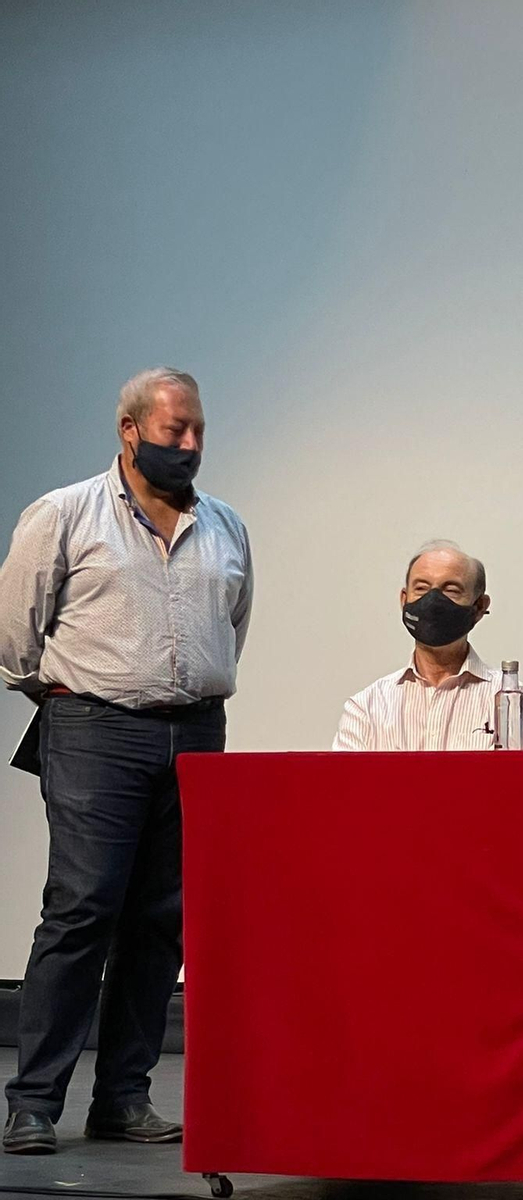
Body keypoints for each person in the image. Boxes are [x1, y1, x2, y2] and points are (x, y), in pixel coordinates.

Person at [0, 368, 251, 1155]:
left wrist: (185, 691)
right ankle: (35, 1101)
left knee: (162, 921)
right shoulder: (65, 514)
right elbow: (14, 637)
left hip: (196, 730)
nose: (190, 445)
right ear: (129, 429)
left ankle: (123, 1097)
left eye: (199, 430)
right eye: (175, 430)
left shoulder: (226, 525)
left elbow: (232, 628)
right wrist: (75, 696)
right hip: (94, 728)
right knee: (81, 908)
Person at [333, 541, 498, 750]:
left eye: (451, 590)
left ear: (479, 607)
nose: (433, 601)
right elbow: (347, 782)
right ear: (404, 599)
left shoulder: (519, 706)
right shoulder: (366, 709)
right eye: (421, 588)